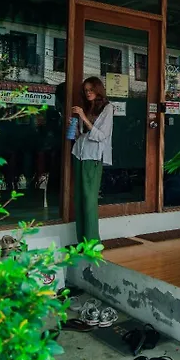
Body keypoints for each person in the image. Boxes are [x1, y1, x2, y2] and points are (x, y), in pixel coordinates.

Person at [71, 77, 114, 242]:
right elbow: (81, 136)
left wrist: (83, 117)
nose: (88, 93)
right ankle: (82, 241)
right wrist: (74, 126)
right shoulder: (86, 107)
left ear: (98, 90)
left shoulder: (107, 108)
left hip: (93, 157)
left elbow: (101, 136)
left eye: (91, 90)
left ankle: (93, 243)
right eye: (86, 90)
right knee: (79, 199)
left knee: (89, 200)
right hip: (79, 154)